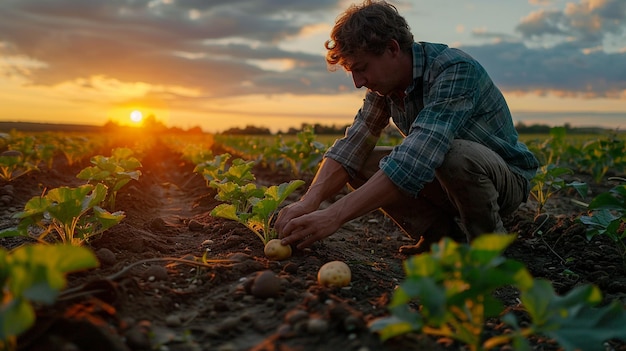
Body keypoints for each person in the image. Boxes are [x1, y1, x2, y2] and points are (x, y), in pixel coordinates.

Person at [275, 0, 540, 254]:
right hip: (443, 178)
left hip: (502, 180)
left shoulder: (454, 70)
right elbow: (352, 146)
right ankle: (442, 241)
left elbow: (420, 154)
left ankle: (487, 247)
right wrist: (309, 201)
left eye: (362, 68)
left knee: (452, 154)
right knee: (357, 161)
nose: (357, 82)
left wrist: (334, 216)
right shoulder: (384, 89)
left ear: (392, 49)